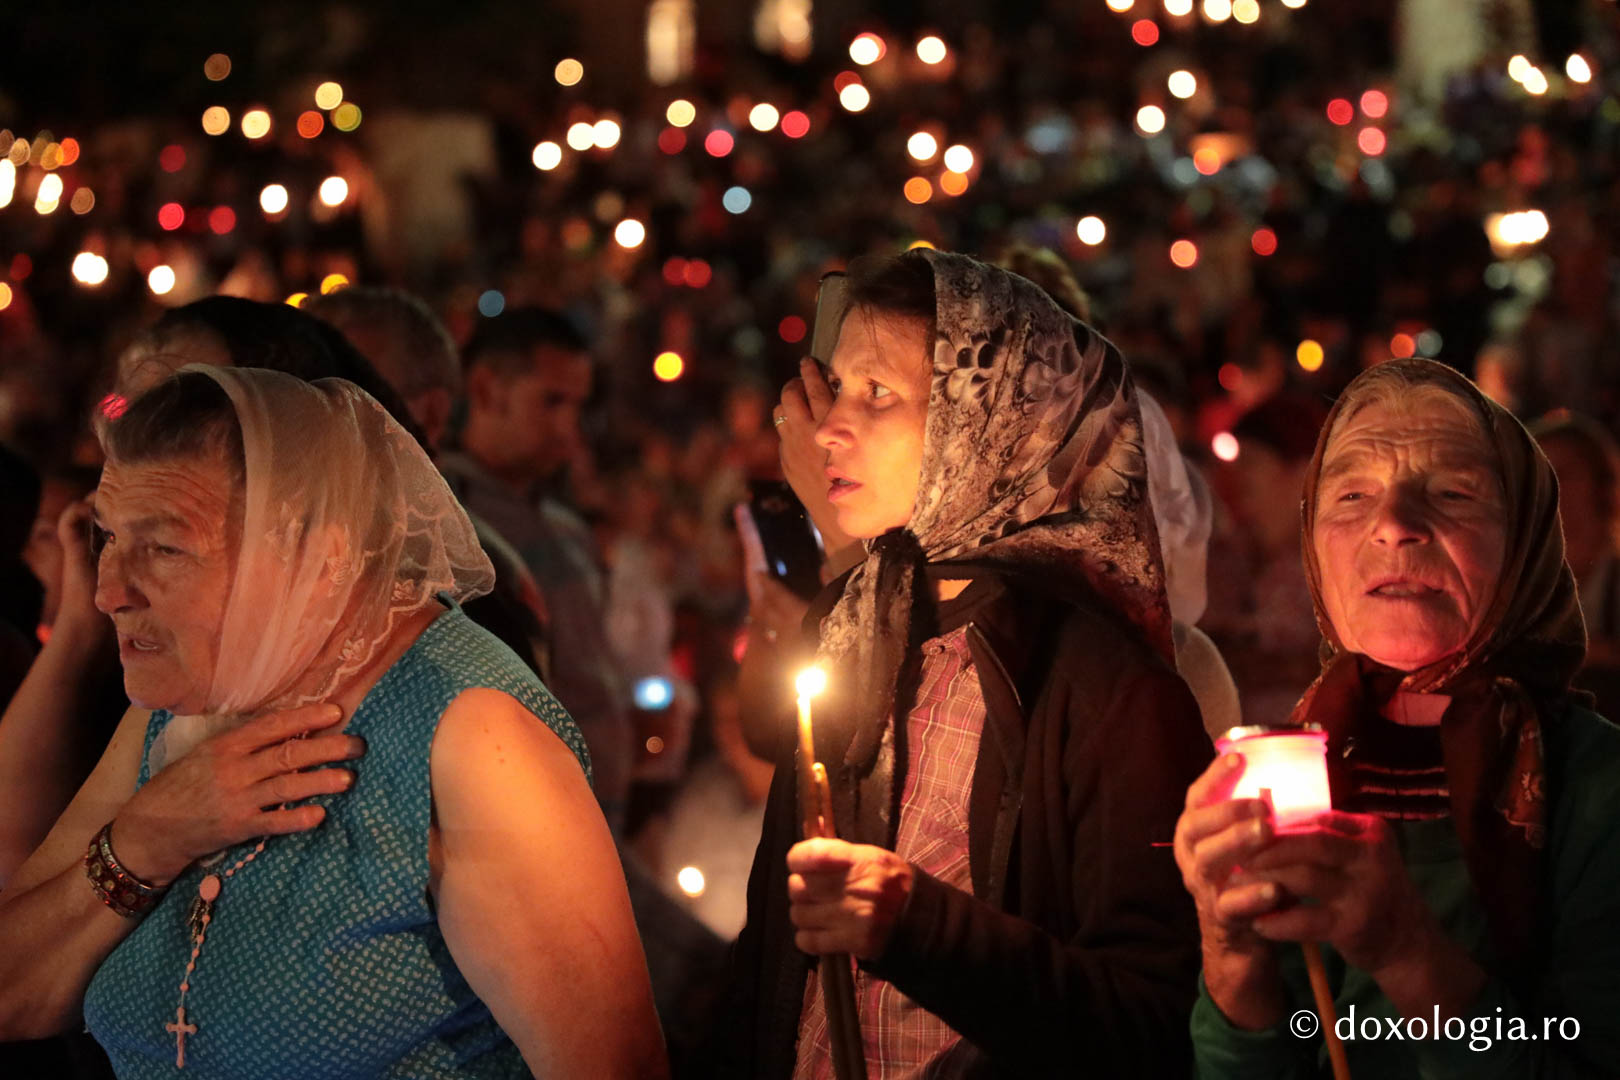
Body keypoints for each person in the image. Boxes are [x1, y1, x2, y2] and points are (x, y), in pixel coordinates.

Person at [0, 366, 667, 1078]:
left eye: (166, 548)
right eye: (107, 537)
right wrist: (142, 841)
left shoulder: (474, 740)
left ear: (319, 555)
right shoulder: (183, 700)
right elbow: (12, 996)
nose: (108, 592)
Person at [719, 250, 1209, 1077]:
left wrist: (920, 926)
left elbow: (1153, 1022)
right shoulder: (851, 621)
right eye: (836, 388)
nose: (830, 427)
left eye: (878, 393)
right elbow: (770, 957)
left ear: (988, 425)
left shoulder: (1107, 689)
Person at [1177, 358, 1620, 1077]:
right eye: (1351, 494)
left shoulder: (1595, 789)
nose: (1392, 524)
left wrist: (1406, 952)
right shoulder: (1289, 775)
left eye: (1452, 492)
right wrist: (1231, 954)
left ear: (1527, 542)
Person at [438, 307, 632, 835]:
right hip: (522, 824)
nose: (569, 427)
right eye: (551, 402)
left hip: (600, 820)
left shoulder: (568, 528)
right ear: (486, 389)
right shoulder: (447, 524)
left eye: (577, 406)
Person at [303, 286, 553, 685]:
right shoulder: (288, 542)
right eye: (303, 391)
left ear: (433, 413)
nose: (311, 417)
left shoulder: (477, 578)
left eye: (353, 392)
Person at [1527, 411, 1620, 718]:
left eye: (1562, 473)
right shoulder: (1522, 586)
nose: (1547, 487)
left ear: (1603, 486)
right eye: (1537, 474)